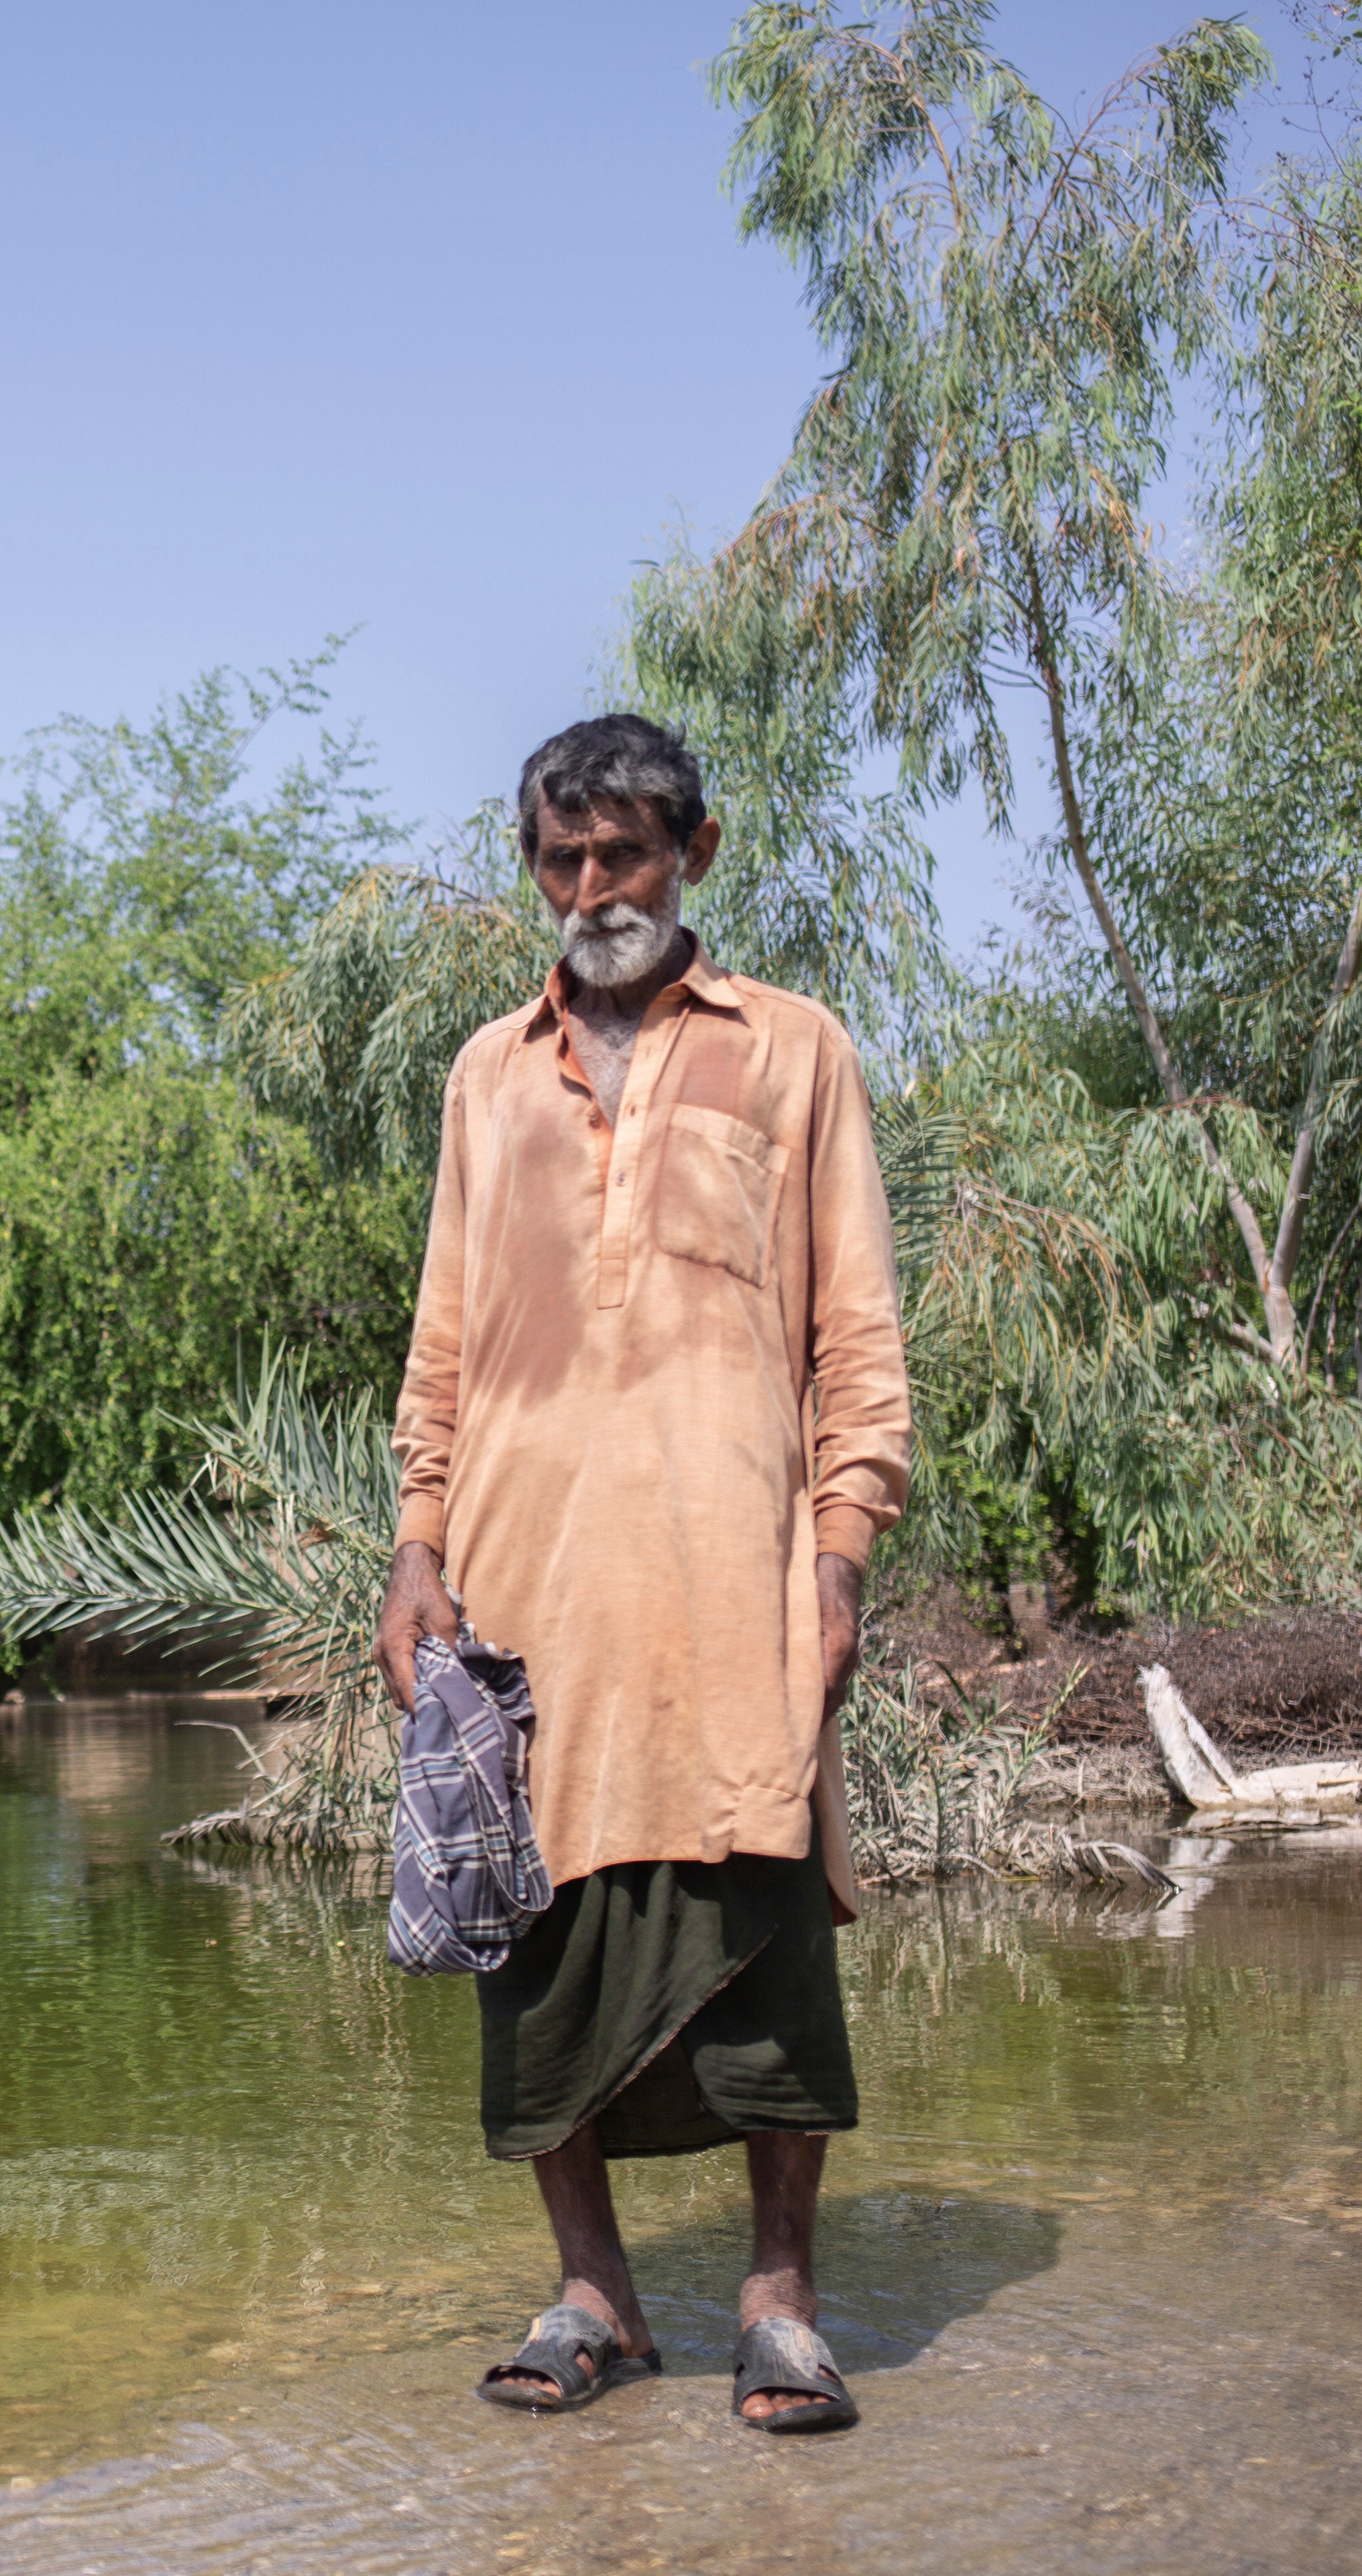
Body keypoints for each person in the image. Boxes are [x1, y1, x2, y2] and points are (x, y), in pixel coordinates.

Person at [375, 713, 911, 2434]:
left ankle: (780, 2305)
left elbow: (860, 1342)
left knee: (762, 1952)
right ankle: (596, 2299)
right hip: (529, 1601)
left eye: (622, 853)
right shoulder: (484, 1074)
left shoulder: (797, 1052)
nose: (590, 888)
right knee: (541, 1965)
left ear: (696, 850)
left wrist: (836, 1556)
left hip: (728, 1593)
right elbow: (443, 1343)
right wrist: (414, 1547)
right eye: (561, 858)